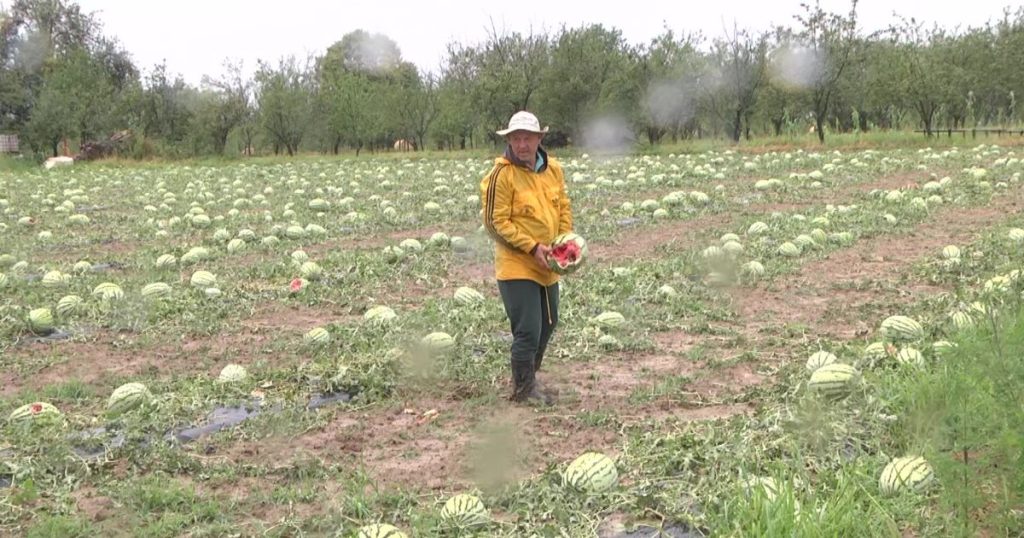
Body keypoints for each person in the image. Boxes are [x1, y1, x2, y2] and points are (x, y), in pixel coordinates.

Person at [479, 111, 573, 406]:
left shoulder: (553, 169)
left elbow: (563, 207)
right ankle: (523, 389)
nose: (522, 145)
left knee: (549, 323)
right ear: (509, 140)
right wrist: (532, 248)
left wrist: (564, 242)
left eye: (527, 138)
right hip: (517, 264)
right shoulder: (501, 175)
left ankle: (531, 379)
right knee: (529, 329)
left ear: (539, 139)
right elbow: (495, 223)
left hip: (548, 262)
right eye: (516, 139)